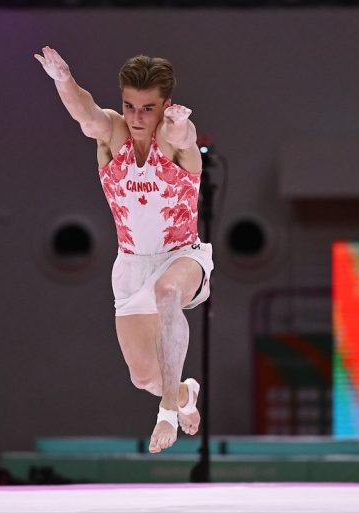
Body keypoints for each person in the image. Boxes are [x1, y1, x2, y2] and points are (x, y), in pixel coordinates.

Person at [34, 46, 214, 453]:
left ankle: (168, 409)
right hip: (131, 266)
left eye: (148, 109)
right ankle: (182, 393)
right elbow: (86, 113)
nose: (136, 118)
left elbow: (184, 136)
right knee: (144, 378)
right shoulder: (112, 134)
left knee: (167, 292)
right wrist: (64, 79)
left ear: (165, 105)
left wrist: (182, 124)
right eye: (129, 106)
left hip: (183, 257)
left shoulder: (174, 138)